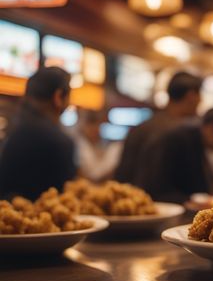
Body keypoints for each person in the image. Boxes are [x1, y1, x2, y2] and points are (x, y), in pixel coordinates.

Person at [0, 67, 76, 200]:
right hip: (40, 218)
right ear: (58, 97)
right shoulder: (60, 142)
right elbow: (64, 202)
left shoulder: (10, 128)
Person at [115, 71, 202, 183]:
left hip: (132, 197)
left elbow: (122, 174)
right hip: (156, 199)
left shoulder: (142, 127)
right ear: (191, 96)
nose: (201, 100)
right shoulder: (177, 134)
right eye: (200, 95)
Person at [136, 108, 213, 203]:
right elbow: (160, 186)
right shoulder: (183, 141)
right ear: (211, 128)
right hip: (161, 203)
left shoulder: (194, 139)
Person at [74, 109, 122, 182]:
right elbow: (92, 175)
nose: (96, 130)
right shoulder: (79, 145)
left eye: (98, 126)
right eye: (92, 127)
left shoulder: (102, 145)